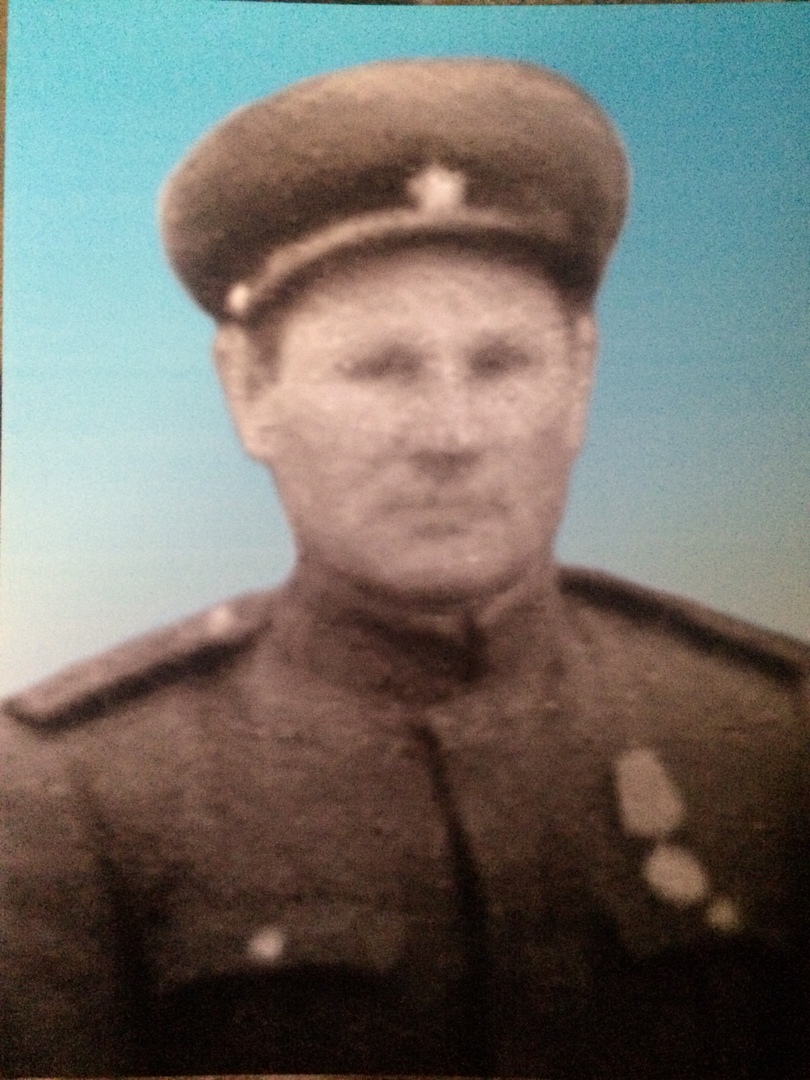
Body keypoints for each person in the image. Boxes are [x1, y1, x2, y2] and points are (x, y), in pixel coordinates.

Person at [1, 58, 807, 1080]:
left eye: (501, 364)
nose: (451, 435)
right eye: (380, 368)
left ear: (579, 379)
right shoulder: (72, 791)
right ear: (251, 393)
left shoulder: (773, 734)